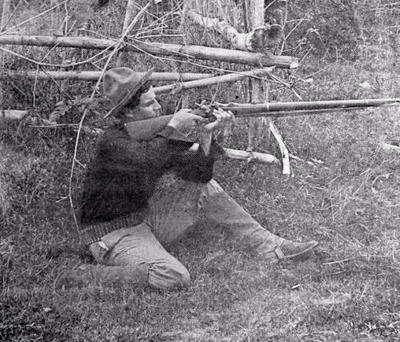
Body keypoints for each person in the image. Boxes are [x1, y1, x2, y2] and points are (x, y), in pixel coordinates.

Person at [55, 67, 319, 290]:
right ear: (128, 114)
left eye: (155, 99)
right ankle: (86, 275)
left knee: (206, 187)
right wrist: (172, 128)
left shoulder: (152, 138)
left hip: (144, 219)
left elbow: (198, 175)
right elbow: (148, 160)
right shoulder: (111, 142)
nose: (158, 107)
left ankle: (271, 248)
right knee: (173, 276)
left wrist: (205, 136)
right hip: (112, 233)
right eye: (149, 104)